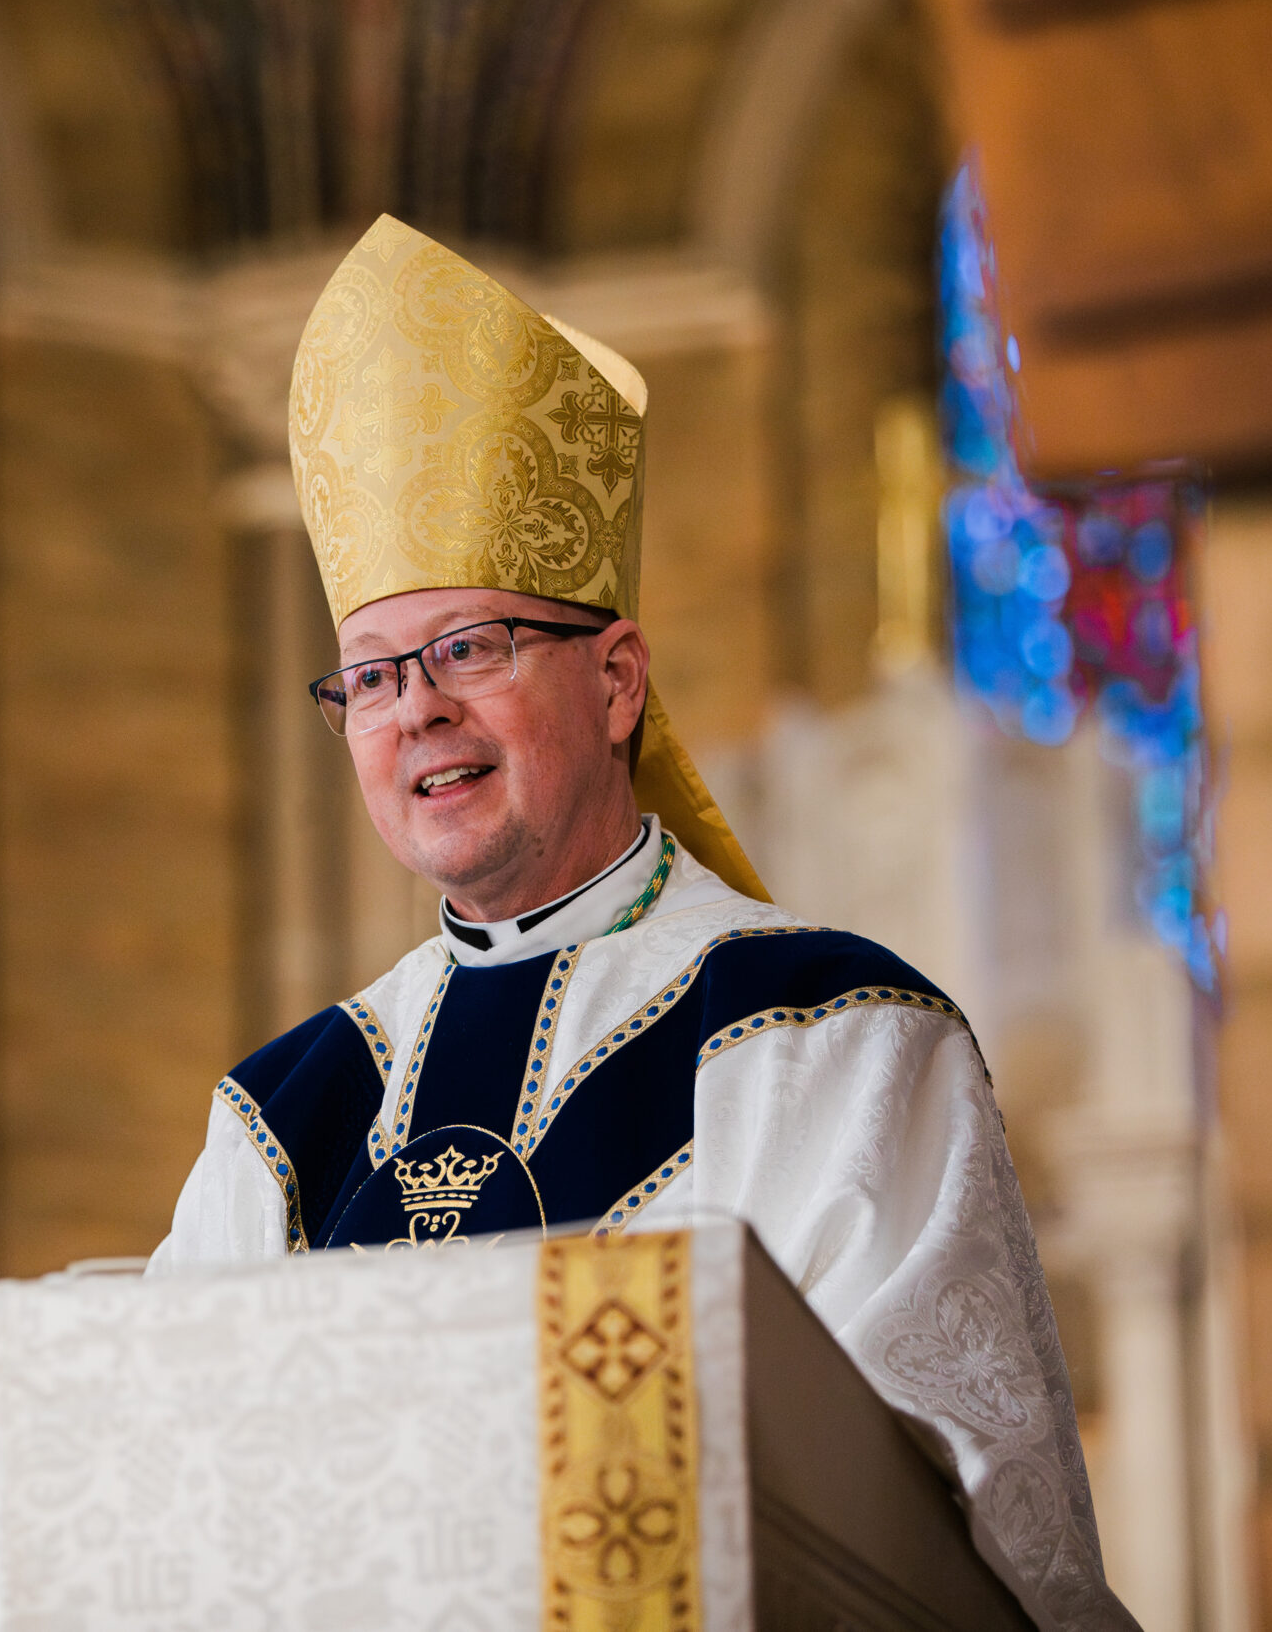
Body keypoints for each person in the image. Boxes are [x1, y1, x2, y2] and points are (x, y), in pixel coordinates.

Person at [147, 215, 1135, 1632]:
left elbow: (942, 1541)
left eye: (471, 649)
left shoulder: (836, 1046)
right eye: (368, 676)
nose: (416, 706)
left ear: (616, 684)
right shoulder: (277, 1121)